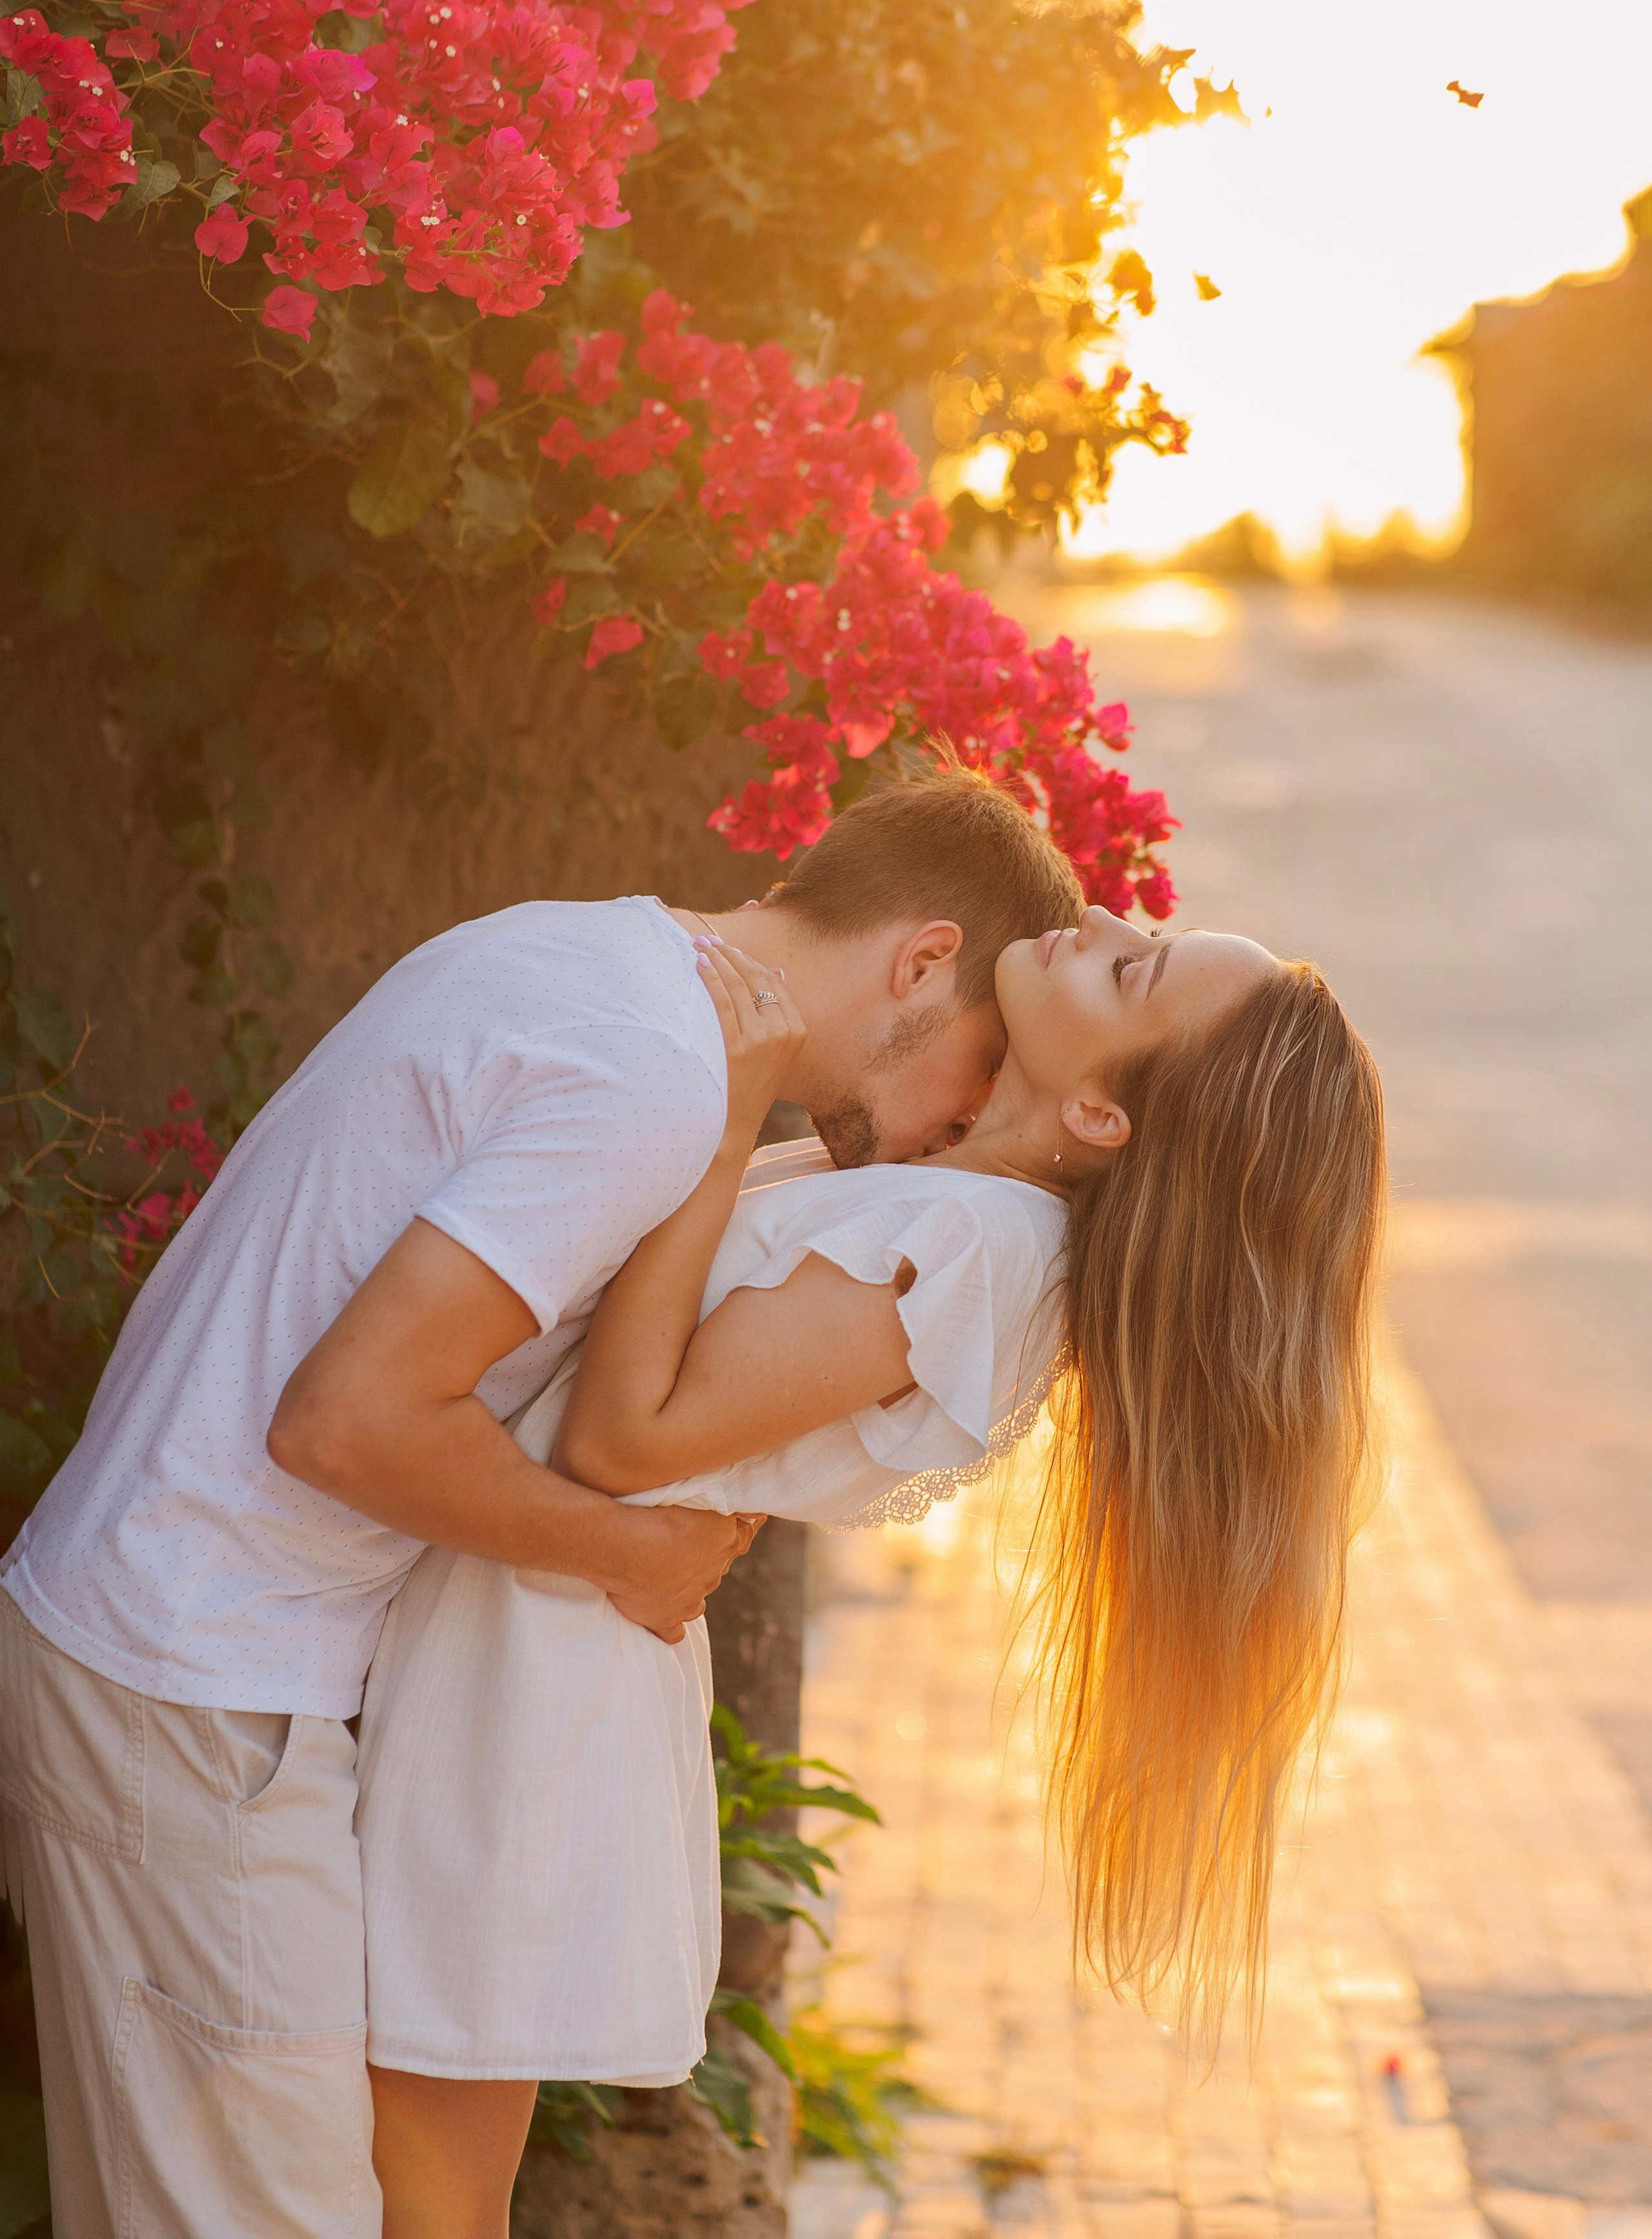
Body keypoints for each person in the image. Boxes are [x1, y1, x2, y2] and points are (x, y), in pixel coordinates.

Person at [0, 768, 1084, 2239]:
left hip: (193, 1657)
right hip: (194, 1676)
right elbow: (348, 1419)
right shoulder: (650, 1067)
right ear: (918, 963)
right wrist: (629, 1550)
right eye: (974, 1067)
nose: (952, 1126)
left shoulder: (586, 952)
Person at [353, 908, 1386, 2238]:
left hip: (525, 1687)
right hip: (511, 1624)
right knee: (373, 2167)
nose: (1106, 921)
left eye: (1131, 970)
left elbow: (622, 1438)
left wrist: (726, 1125)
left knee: (422, 2194)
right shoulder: (952, 1201)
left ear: (1100, 1118)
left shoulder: (976, 1257)